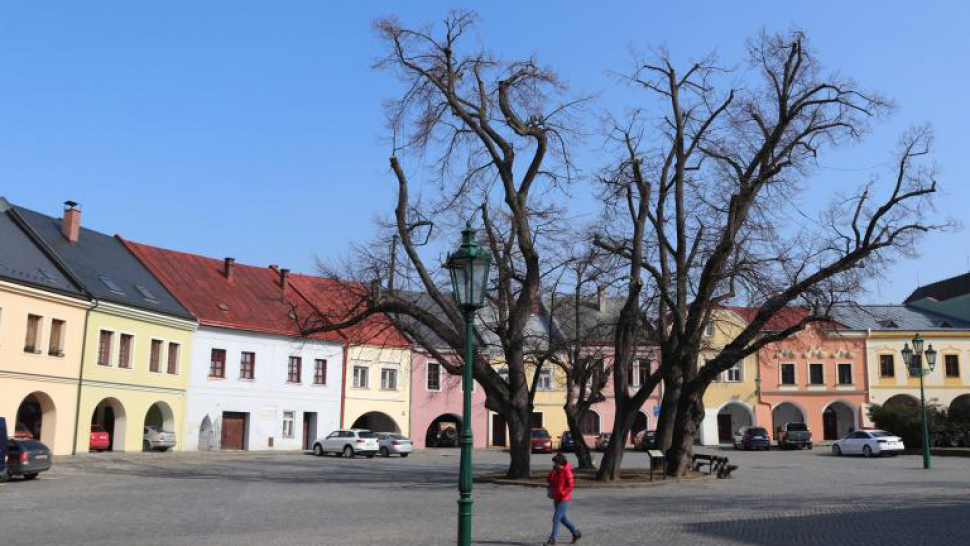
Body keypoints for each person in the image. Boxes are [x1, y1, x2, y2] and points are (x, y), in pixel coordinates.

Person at [544, 452, 581, 545]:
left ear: (561, 463)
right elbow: (548, 480)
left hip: (564, 500)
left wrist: (562, 493)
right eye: (554, 463)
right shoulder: (557, 471)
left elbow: (570, 486)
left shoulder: (567, 472)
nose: (554, 465)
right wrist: (553, 471)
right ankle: (576, 533)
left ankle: (552, 539)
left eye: (556, 463)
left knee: (556, 518)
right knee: (563, 519)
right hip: (556, 498)